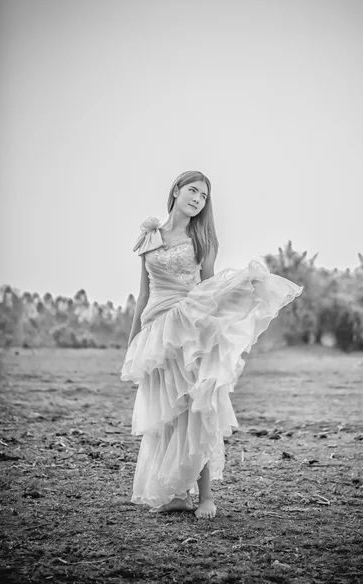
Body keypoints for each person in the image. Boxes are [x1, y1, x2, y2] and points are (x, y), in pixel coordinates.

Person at [121, 171, 302, 519]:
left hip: (189, 327)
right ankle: (177, 493)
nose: (198, 199)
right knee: (166, 413)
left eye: (203, 196)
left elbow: (208, 288)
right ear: (176, 190)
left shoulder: (201, 237)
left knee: (197, 405)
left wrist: (240, 291)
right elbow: (143, 293)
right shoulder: (149, 236)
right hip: (155, 332)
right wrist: (133, 342)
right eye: (193, 190)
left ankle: (206, 497)